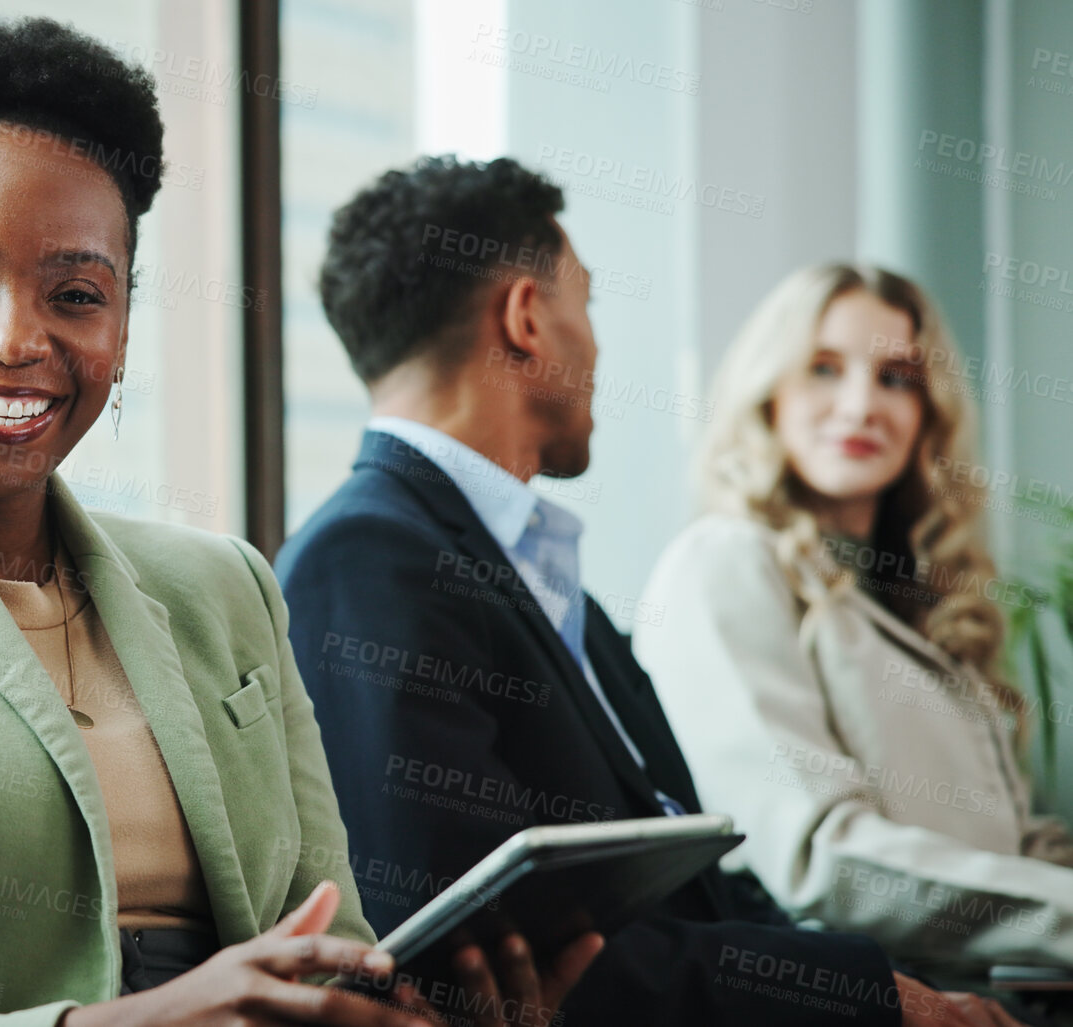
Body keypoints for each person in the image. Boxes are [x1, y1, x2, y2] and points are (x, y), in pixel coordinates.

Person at [0, 15, 599, 1027]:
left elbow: (328, 946)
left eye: (76, 294)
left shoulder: (226, 587)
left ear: (121, 329)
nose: (13, 338)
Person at [278, 155, 1026, 1027]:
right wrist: (879, 999)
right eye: (585, 303)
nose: (595, 345)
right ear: (526, 317)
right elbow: (481, 948)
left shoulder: (539, 576)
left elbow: (699, 885)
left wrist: (890, 990)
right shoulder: (366, 557)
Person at [632, 264, 1073, 981]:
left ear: (929, 412)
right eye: (823, 368)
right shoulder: (723, 564)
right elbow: (817, 858)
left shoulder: (921, 601)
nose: (860, 403)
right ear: (768, 393)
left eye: (896, 377)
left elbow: (1013, 846)